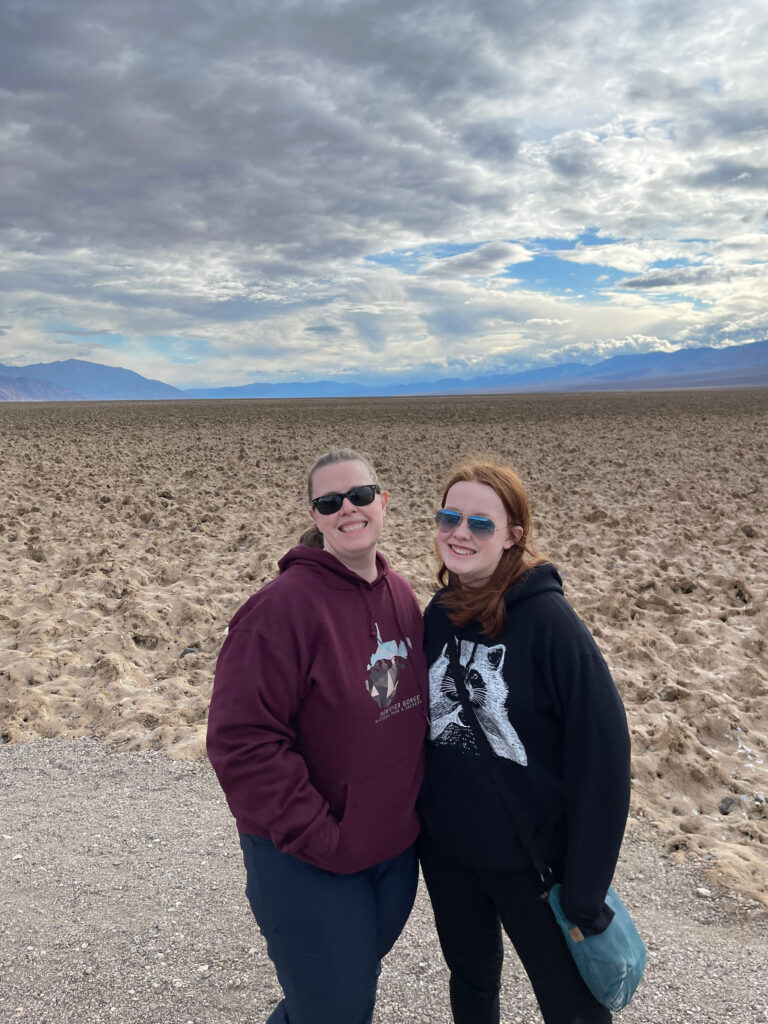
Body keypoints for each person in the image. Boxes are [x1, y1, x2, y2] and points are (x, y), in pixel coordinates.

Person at [207, 448, 428, 1024]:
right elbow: (242, 743)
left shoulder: (400, 595)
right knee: (336, 1007)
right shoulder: (278, 612)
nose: (347, 509)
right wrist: (324, 838)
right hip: (306, 858)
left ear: (383, 501)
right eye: (329, 502)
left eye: (359, 496)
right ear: (315, 513)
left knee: (338, 996)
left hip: (391, 850)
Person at [418, 461, 631, 1024]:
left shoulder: (550, 623)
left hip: (535, 869)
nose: (461, 533)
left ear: (513, 535)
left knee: (572, 1008)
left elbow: (604, 756)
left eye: (481, 523)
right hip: (450, 859)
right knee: (471, 984)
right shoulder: (437, 615)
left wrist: (586, 889)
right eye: (450, 517)